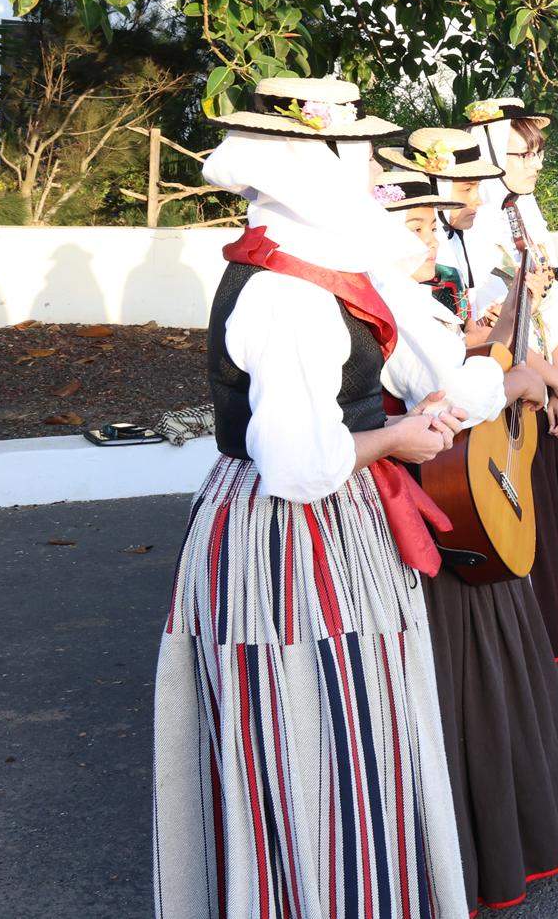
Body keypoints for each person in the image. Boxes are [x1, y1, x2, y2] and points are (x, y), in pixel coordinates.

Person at [154, 77, 471, 917]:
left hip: (331, 516)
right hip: (289, 532)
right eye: (363, 157)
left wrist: (407, 417)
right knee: (312, 724)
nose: (377, 176)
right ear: (314, 166)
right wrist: (396, 439)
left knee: (348, 723)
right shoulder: (287, 290)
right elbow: (298, 466)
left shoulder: (311, 268)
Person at [375, 170, 558, 912]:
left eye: (430, 225)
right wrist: (520, 380)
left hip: (451, 497)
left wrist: (507, 337)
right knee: (471, 677)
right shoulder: (389, 301)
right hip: (434, 508)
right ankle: (484, 847)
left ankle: (514, 830)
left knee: (492, 664)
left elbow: (472, 372)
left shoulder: (408, 299)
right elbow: (455, 400)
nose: (428, 237)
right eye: (412, 226)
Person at [464, 100, 558, 661]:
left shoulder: (524, 215)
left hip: (541, 386)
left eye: (537, 154)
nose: (535, 165)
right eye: (521, 154)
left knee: (544, 517)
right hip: (502, 391)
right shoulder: (471, 226)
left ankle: (545, 646)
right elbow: (489, 325)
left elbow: (554, 309)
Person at [381, 125, 507, 322]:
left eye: (478, 188)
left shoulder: (462, 242)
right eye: (467, 189)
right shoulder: (422, 265)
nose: (479, 200)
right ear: (437, 188)